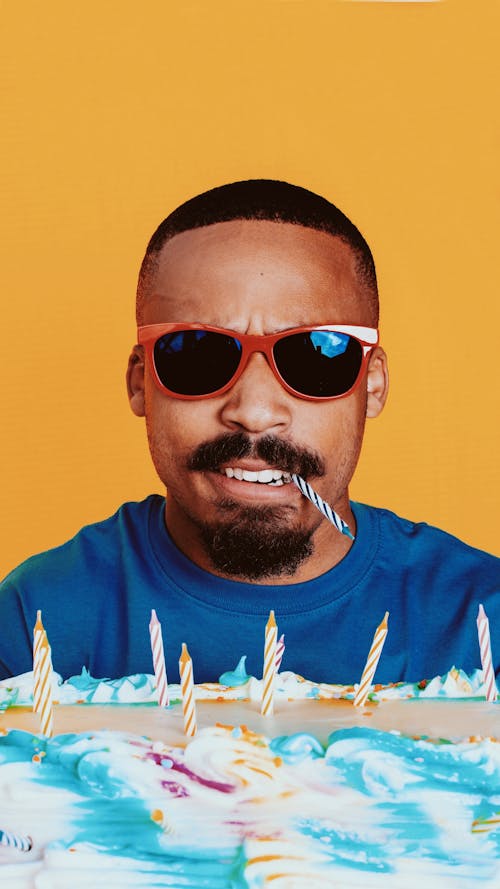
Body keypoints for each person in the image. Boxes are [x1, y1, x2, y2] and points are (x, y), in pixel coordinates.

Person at [1, 180, 498, 685]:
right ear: (139, 382)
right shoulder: (31, 626)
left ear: (370, 386)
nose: (255, 412)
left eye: (315, 355)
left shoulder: (483, 625)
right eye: (194, 353)